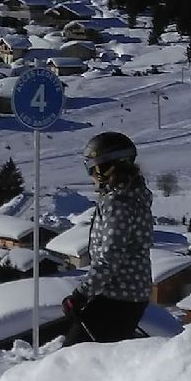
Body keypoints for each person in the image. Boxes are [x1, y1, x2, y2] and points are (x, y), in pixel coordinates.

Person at [61, 131, 153, 344]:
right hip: (128, 295)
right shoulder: (133, 195)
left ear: (106, 167)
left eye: (91, 168)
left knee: (73, 360)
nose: (91, 174)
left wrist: (80, 296)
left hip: (117, 298)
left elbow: (110, 256)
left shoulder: (118, 203)